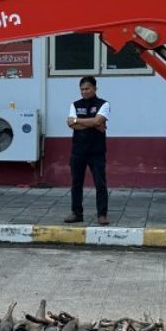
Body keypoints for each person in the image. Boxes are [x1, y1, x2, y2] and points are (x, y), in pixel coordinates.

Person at [65, 76, 111, 226]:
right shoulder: (75, 104)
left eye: (87, 89)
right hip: (78, 151)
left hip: (96, 151)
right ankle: (76, 213)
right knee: (76, 184)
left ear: (95, 88)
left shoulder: (104, 104)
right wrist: (93, 123)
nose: (84, 92)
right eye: (82, 89)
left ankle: (102, 215)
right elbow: (72, 124)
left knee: (100, 184)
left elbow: (98, 121)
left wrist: (79, 120)